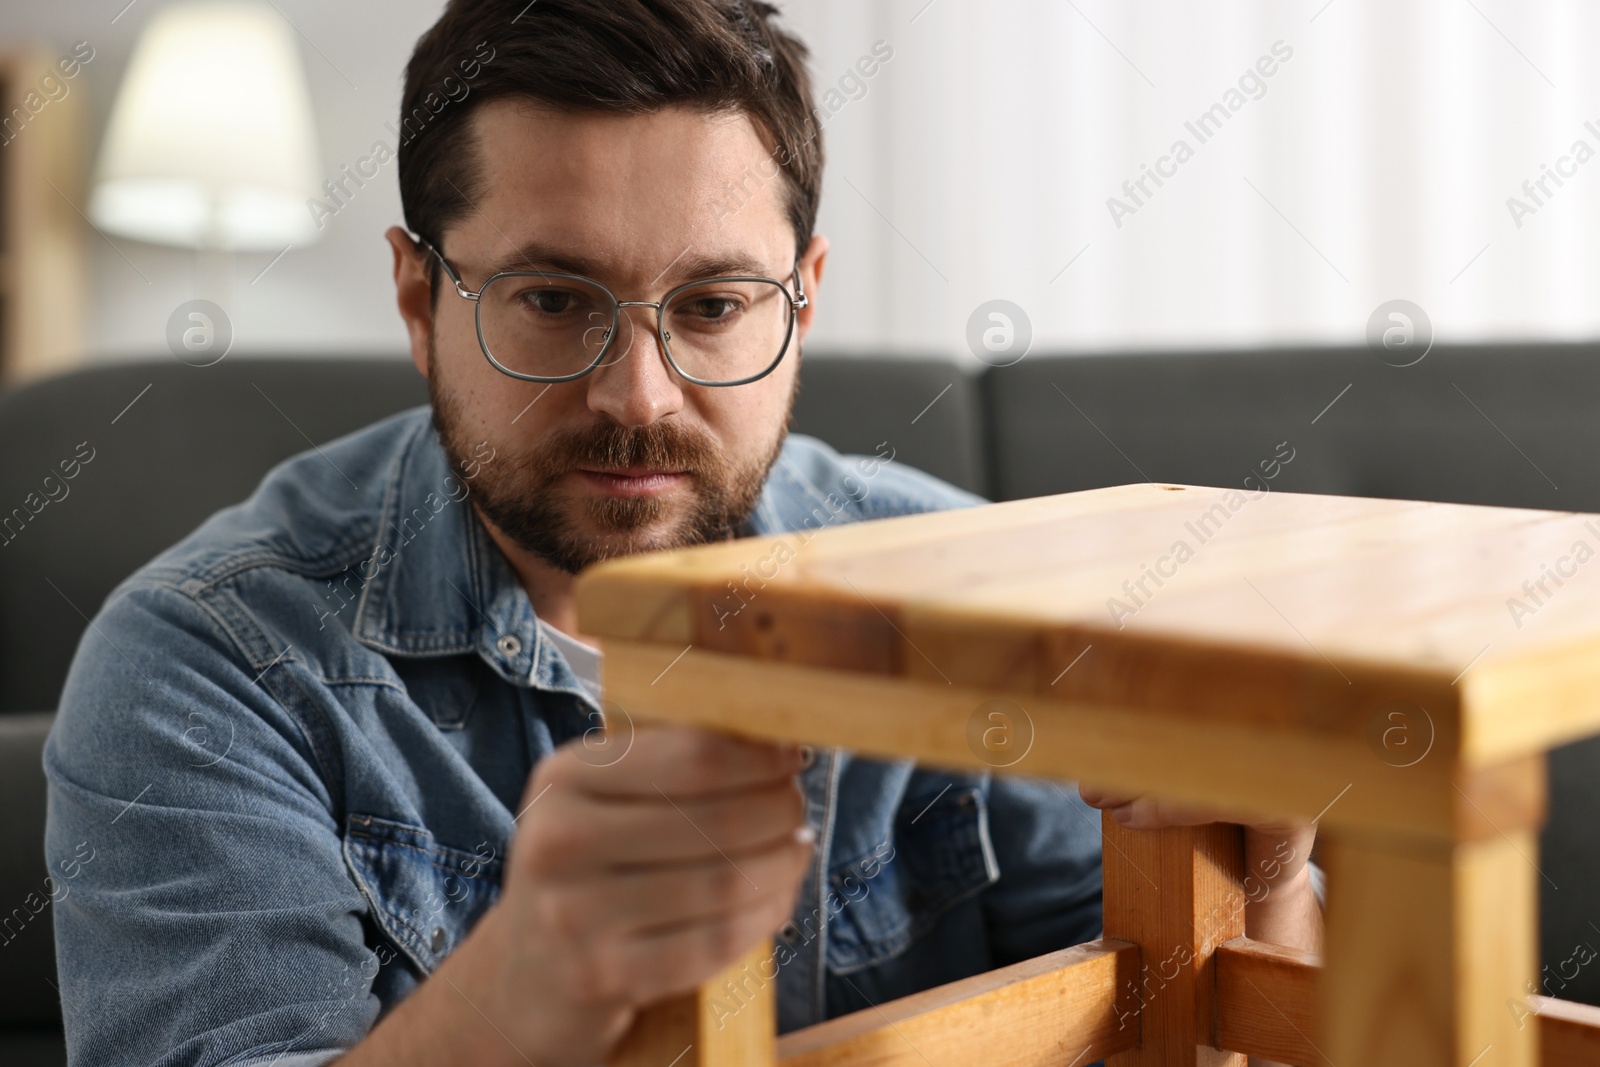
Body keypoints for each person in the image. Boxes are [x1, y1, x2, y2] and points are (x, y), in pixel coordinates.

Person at [44, 2, 1322, 1064]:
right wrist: (527, 985)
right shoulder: (205, 663)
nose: (637, 396)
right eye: (552, 300)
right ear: (418, 296)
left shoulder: (975, 595)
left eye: (712, 303)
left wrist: (1258, 885)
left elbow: (1183, 1026)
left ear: (802, 302)